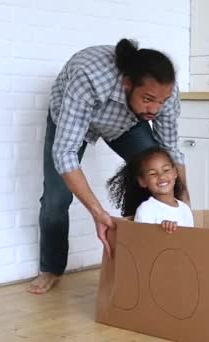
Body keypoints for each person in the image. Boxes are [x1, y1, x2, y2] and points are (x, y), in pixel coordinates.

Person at [28, 38, 190, 294]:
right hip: (72, 118)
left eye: (161, 101)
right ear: (127, 83)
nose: (156, 109)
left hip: (125, 121)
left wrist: (183, 204)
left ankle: (144, 257)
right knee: (56, 197)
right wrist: (97, 212)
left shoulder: (162, 95)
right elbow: (65, 153)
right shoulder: (88, 76)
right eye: (148, 99)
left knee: (154, 171)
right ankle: (51, 268)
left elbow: (169, 151)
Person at [106, 146, 194, 233]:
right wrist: (162, 232)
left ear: (175, 172)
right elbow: (143, 243)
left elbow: (190, 241)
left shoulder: (185, 209)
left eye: (166, 170)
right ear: (142, 181)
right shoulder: (146, 210)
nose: (161, 176)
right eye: (153, 174)